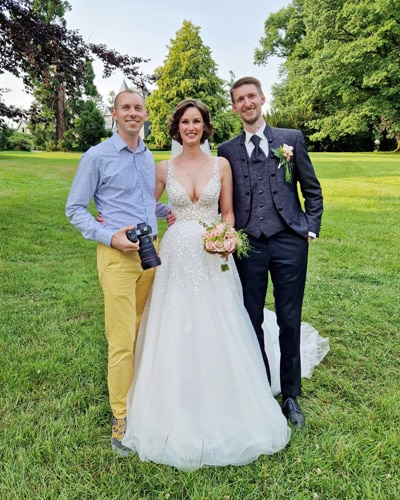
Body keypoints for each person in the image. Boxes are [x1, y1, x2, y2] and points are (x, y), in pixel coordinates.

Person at [121, 98, 327, 470]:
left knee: (225, 321)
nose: (191, 127)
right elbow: (143, 205)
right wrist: (126, 215)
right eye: (184, 121)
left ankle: (237, 391)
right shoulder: (164, 167)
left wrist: (227, 238)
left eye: (197, 121)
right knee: (176, 323)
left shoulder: (222, 164)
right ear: (176, 127)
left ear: (205, 126)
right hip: (178, 256)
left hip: (214, 253)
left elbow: (229, 211)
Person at [65, 89, 172, 456]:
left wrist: (164, 212)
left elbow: (141, 200)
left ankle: (142, 397)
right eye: (126, 107)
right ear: (114, 113)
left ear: (145, 115)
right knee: (122, 338)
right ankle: (122, 417)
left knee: (145, 329)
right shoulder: (96, 156)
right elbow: (75, 208)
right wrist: (109, 235)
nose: (133, 113)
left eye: (138, 108)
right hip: (117, 258)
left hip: (150, 254)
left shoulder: (146, 157)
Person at [218, 76, 324, 428]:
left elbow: (312, 189)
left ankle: (290, 396)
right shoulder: (226, 151)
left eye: (252, 96)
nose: (247, 103)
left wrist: (310, 227)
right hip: (248, 245)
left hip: (289, 241)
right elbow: (223, 200)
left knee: (288, 317)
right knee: (250, 318)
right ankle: (260, 387)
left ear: (262, 99)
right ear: (234, 107)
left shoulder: (290, 140)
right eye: (240, 99)